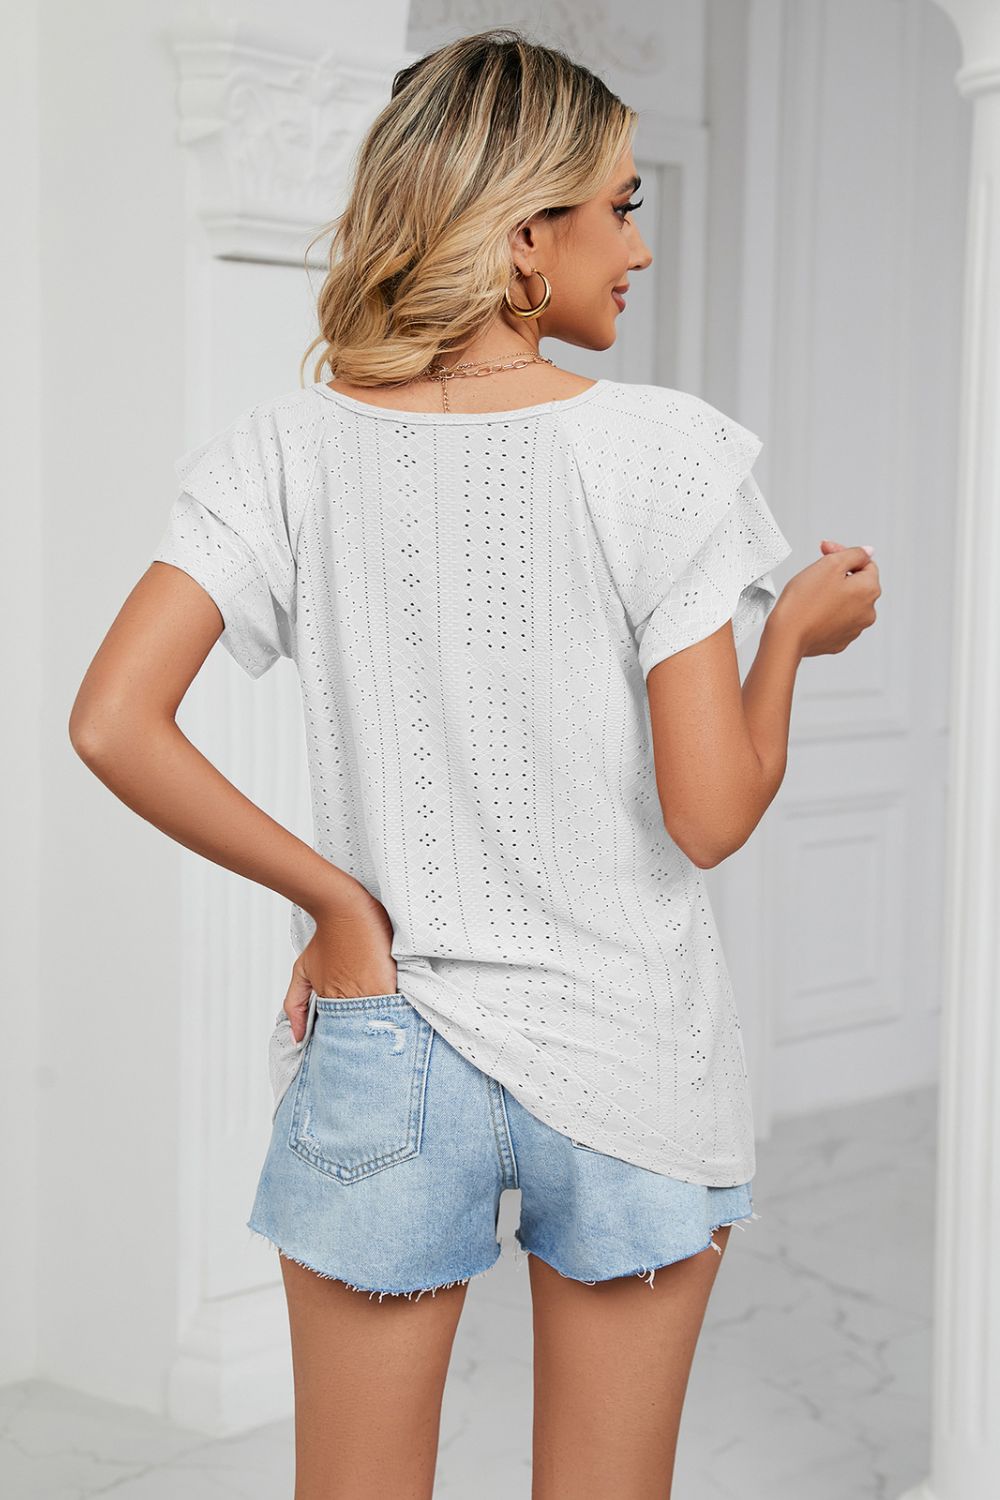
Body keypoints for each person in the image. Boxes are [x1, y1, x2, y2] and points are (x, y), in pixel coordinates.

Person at [68, 27, 880, 1500]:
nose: (640, 246)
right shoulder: (663, 454)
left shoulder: (286, 449)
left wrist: (341, 907)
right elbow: (709, 816)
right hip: (632, 1047)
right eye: (620, 206)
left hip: (383, 1033)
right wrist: (791, 643)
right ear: (523, 241)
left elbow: (113, 719)